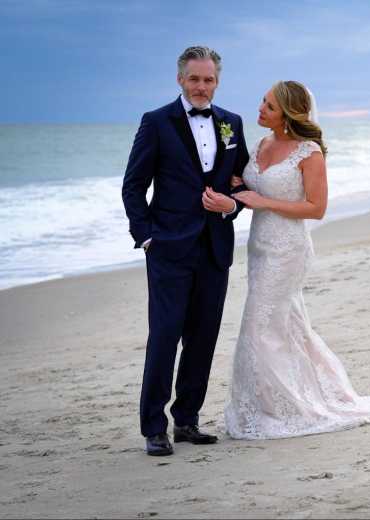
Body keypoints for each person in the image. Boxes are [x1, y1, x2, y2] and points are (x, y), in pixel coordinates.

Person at [224, 81, 370, 439]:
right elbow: (251, 186)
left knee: (260, 325)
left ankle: (279, 407)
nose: (260, 109)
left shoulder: (309, 153)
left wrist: (263, 201)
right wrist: (239, 185)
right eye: (262, 101)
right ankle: (287, 397)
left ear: (287, 114)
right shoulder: (260, 145)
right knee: (286, 325)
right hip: (259, 247)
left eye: (269, 106)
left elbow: (316, 208)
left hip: (288, 249)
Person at [122, 46, 249, 456]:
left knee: (203, 337)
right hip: (169, 249)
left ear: (217, 81)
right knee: (164, 336)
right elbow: (133, 185)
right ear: (180, 79)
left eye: (208, 80)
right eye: (194, 79)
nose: (201, 87)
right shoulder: (156, 122)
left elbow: (240, 181)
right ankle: (153, 427)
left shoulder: (232, 123)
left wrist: (233, 206)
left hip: (215, 247)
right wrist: (146, 236)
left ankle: (188, 421)